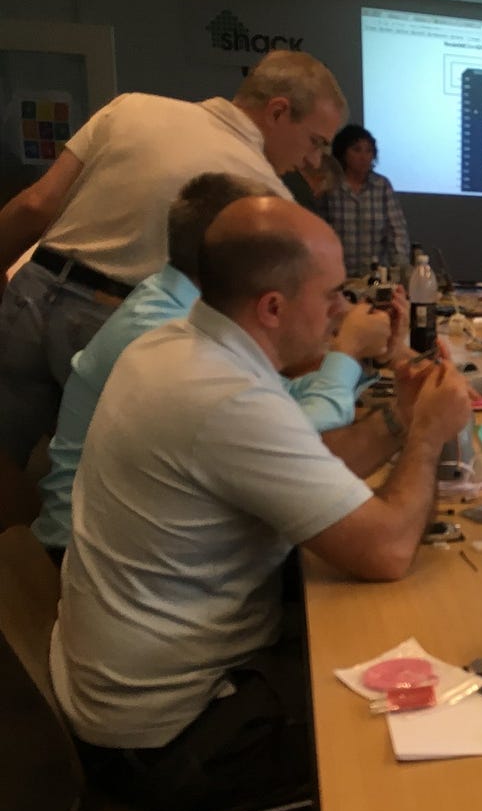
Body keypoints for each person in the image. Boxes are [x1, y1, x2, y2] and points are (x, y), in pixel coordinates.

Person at [50, 195, 473, 811]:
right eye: (332, 294)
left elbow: (303, 459)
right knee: (439, 723)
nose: (344, 310)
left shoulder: (182, 343)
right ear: (272, 307)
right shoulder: (224, 397)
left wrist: (396, 419)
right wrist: (428, 439)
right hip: (169, 739)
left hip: (128, 692)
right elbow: (386, 552)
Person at [0, 50, 347, 499]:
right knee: (93, 474)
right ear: (278, 111)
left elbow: (35, 206)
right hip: (111, 324)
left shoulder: (130, 107)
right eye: (316, 142)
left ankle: (17, 561)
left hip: (32, 290)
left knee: (6, 457)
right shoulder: (265, 196)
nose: (314, 160)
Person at [32, 172, 407, 558]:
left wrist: (363, 363)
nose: (341, 307)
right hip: (76, 548)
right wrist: (346, 355)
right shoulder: (164, 338)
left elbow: (278, 404)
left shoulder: (189, 318)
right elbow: (294, 443)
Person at [321, 123, 410, 278]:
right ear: (343, 153)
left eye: (369, 151)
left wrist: (400, 270)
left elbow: (396, 231)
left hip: (374, 277)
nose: (364, 157)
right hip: (337, 275)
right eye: (356, 150)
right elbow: (320, 229)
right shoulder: (330, 185)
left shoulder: (381, 185)